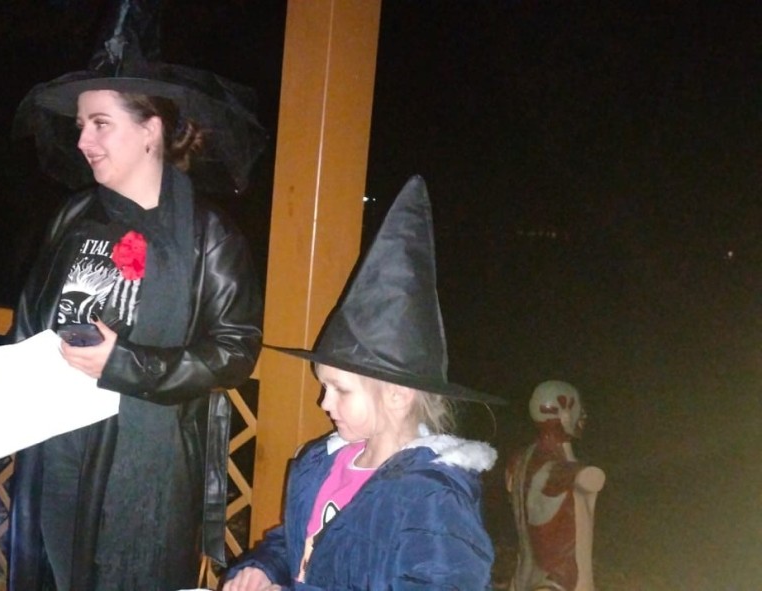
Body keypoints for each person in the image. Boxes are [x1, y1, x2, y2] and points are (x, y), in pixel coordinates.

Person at [0, 7, 266, 590]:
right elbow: (26, 331)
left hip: (146, 470)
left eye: (99, 124)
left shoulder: (207, 236)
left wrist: (125, 364)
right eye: (80, 125)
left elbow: (235, 351)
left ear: (150, 130)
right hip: (56, 456)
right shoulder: (72, 217)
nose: (82, 141)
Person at [223, 176, 505, 590]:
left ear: (397, 395)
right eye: (325, 387)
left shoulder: (433, 498)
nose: (324, 403)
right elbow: (303, 544)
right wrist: (264, 568)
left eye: (341, 389)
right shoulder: (324, 463)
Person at [506, 380, 605, 591]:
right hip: (557, 582)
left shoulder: (518, 461)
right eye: (579, 409)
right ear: (564, 414)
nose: (583, 416)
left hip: (522, 579)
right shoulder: (571, 473)